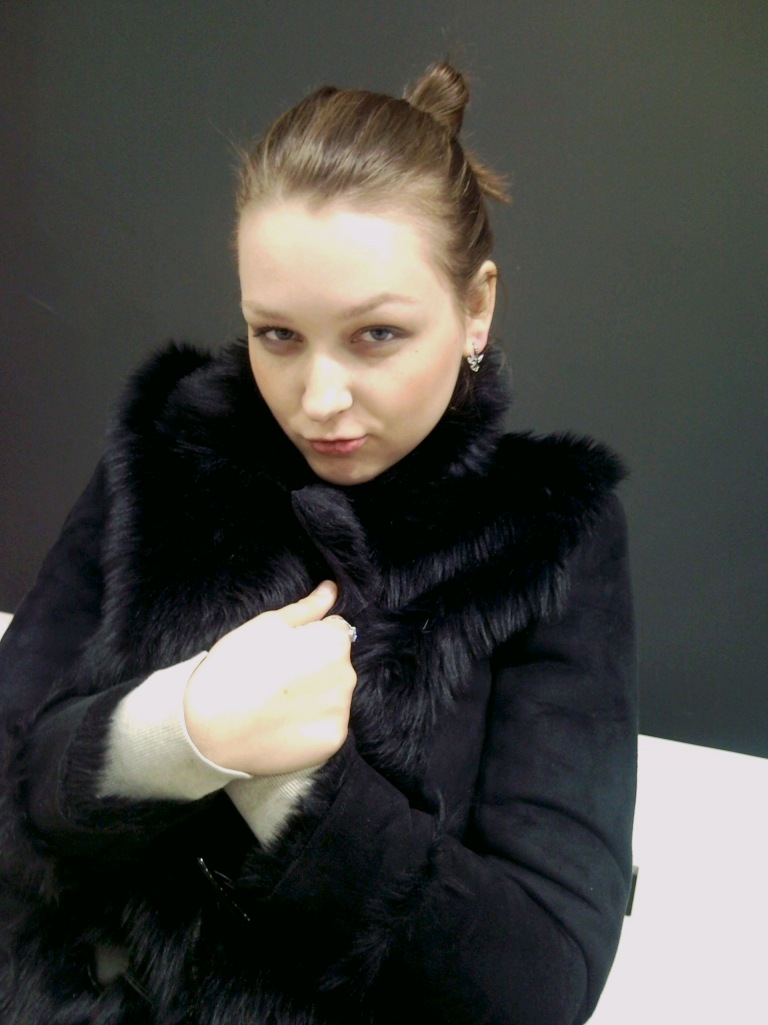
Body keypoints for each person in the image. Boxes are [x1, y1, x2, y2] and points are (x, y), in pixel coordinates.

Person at [0, 63, 636, 1025]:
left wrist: (298, 790)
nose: (319, 400)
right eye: (278, 335)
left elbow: (541, 981)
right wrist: (182, 727)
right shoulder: (164, 450)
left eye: (377, 334)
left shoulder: (552, 532)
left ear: (476, 308)